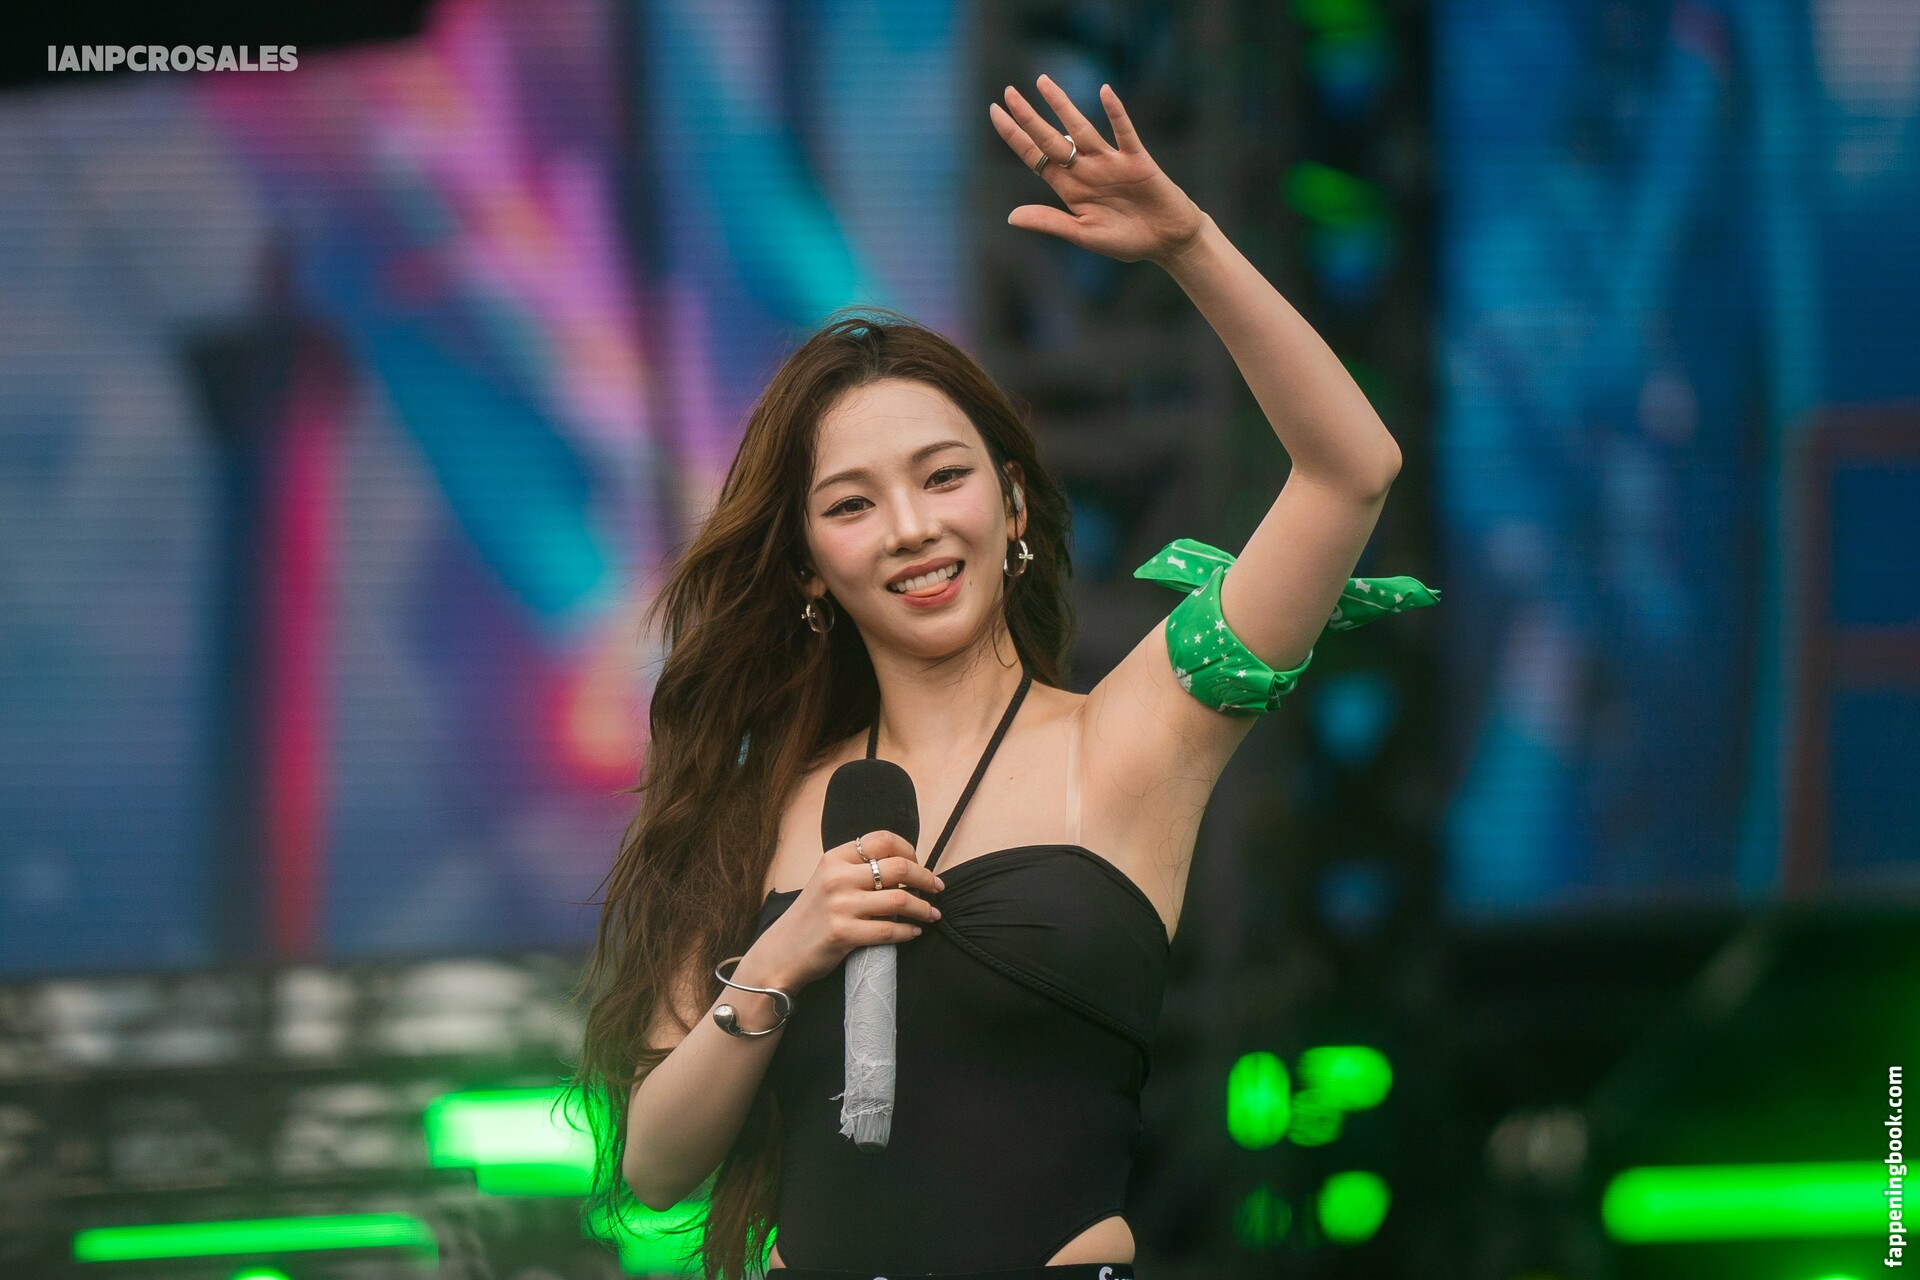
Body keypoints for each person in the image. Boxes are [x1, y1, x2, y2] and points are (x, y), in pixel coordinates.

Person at [568, 77, 1432, 1280]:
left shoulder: (1130, 733)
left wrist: (1187, 243)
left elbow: (1350, 471)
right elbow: (658, 1165)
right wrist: (778, 958)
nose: (912, 527)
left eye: (944, 477)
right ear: (810, 563)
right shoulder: (755, 806)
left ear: (1012, 503)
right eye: (852, 504)